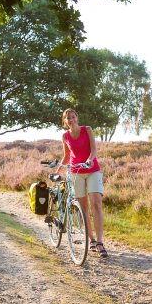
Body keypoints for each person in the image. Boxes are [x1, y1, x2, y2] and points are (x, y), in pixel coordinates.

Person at [60, 108, 107, 258]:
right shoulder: (65, 136)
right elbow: (67, 156)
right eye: (68, 118)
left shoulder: (87, 130)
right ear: (65, 121)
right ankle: (91, 240)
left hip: (92, 169)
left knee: (96, 202)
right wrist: (57, 171)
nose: (71, 120)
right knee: (83, 207)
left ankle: (100, 242)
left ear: (77, 118)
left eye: (73, 117)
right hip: (75, 173)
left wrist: (89, 160)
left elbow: (94, 150)